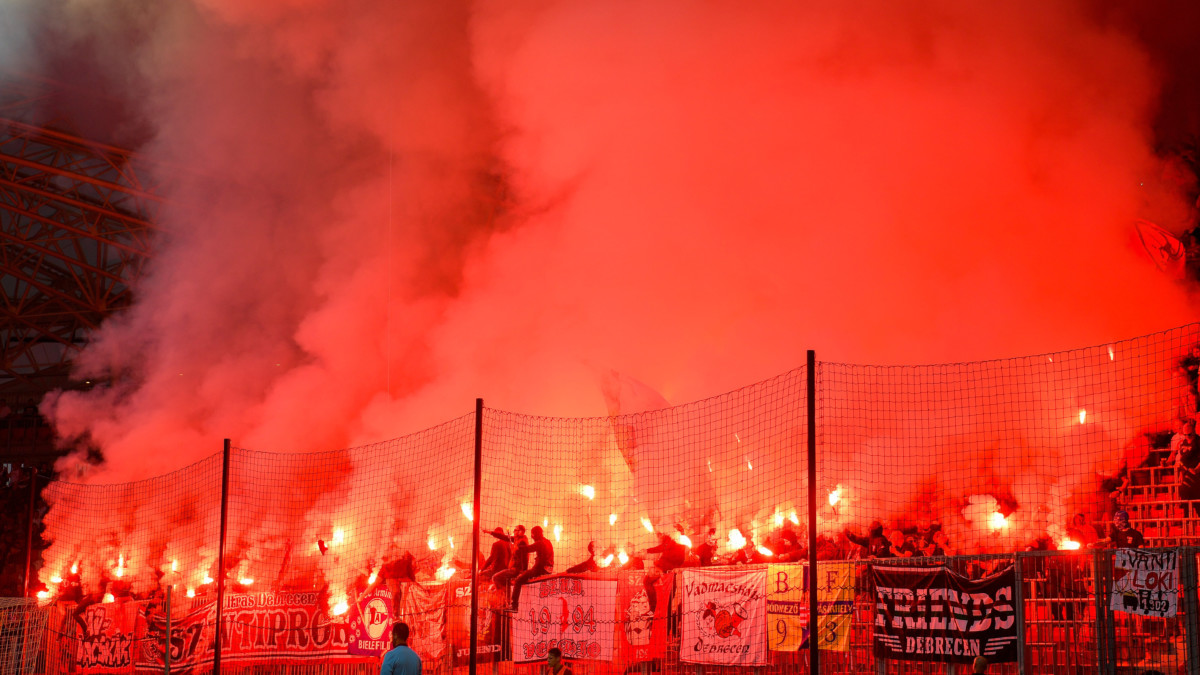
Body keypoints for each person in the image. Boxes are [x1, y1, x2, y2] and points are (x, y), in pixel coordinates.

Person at [509, 525, 554, 610]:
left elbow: (528, 549)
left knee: (518, 580)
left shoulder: (540, 543)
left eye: (532, 534)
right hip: (549, 569)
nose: (531, 537)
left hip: (540, 569)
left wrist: (518, 547)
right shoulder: (548, 541)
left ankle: (514, 605)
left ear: (535, 534)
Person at [643, 533, 687, 616]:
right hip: (670, 575)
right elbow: (681, 561)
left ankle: (653, 609)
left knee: (647, 581)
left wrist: (647, 551)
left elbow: (660, 548)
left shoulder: (669, 545)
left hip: (666, 573)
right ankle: (664, 616)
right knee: (669, 599)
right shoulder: (679, 547)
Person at [492, 525, 528, 598]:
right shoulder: (516, 540)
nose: (513, 532)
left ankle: (502, 598)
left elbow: (524, 558)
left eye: (515, 530)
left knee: (495, 578)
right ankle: (507, 600)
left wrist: (523, 571)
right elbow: (504, 537)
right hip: (513, 569)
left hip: (516, 570)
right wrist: (491, 533)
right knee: (506, 581)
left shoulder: (522, 543)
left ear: (521, 532)